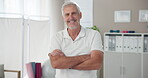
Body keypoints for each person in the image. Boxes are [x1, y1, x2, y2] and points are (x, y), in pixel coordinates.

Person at [48, 1, 104, 78]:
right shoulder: (57, 37)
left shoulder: (93, 35)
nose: (71, 17)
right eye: (67, 14)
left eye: (74, 13)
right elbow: (56, 63)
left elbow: (97, 63)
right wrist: (86, 57)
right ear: (63, 18)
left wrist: (65, 63)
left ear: (80, 15)